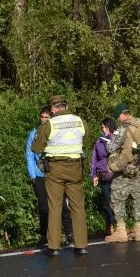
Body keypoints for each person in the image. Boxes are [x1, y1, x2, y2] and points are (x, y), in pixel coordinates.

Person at [32, 95, 88, 256]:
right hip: (76, 167)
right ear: (66, 105)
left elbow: (36, 148)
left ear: (53, 109)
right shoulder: (80, 121)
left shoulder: (49, 124)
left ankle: (53, 246)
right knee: (77, 206)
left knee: (55, 206)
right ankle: (81, 245)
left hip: (55, 168)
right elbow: (84, 140)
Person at [26, 106, 73, 248]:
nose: (44, 120)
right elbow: (29, 155)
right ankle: (44, 236)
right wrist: (33, 175)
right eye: (42, 117)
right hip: (40, 175)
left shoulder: (57, 132)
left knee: (63, 205)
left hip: (56, 174)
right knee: (44, 208)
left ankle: (69, 233)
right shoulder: (34, 134)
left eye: (47, 117)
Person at [104, 103, 140, 243]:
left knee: (116, 196)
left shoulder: (123, 128)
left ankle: (121, 231)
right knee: (138, 197)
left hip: (126, 168)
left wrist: (108, 140)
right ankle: (138, 231)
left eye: (118, 116)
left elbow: (111, 146)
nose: (118, 119)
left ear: (122, 114)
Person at [90, 118, 116, 236]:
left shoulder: (115, 139)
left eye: (105, 127)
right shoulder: (99, 142)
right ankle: (109, 225)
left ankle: (118, 225)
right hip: (103, 175)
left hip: (115, 175)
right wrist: (94, 175)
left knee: (116, 201)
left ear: (110, 127)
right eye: (102, 127)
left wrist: (110, 138)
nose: (103, 129)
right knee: (107, 202)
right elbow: (94, 159)